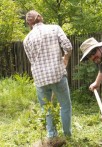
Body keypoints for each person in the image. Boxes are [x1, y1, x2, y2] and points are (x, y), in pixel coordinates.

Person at [23, 10, 72, 139]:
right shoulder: (54, 28)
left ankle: (51, 136)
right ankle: (67, 136)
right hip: (57, 75)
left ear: (29, 23)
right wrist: (65, 58)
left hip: (40, 79)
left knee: (47, 109)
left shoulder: (26, 39)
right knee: (65, 106)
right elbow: (68, 46)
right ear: (40, 17)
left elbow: (31, 60)